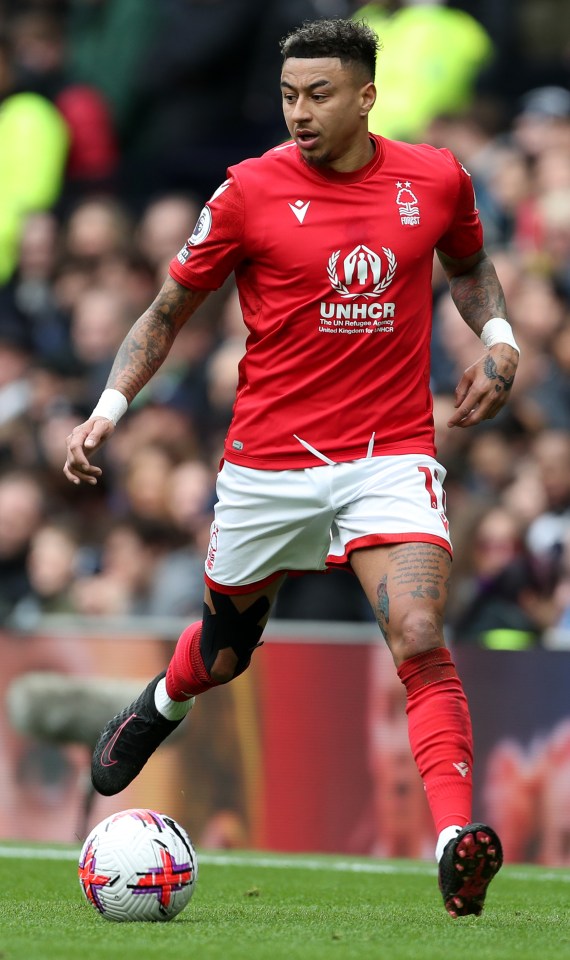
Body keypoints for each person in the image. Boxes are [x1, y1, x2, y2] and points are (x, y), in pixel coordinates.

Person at [63, 18, 518, 918]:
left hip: (389, 453)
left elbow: (471, 267)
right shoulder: (247, 193)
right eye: (288, 96)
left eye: (318, 95)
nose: (299, 113)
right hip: (269, 463)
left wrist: (498, 341)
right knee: (228, 653)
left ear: (365, 96)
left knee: (420, 634)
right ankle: (162, 698)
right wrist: (108, 410)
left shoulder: (435, 179)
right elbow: (165, 313)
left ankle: (456, 845)